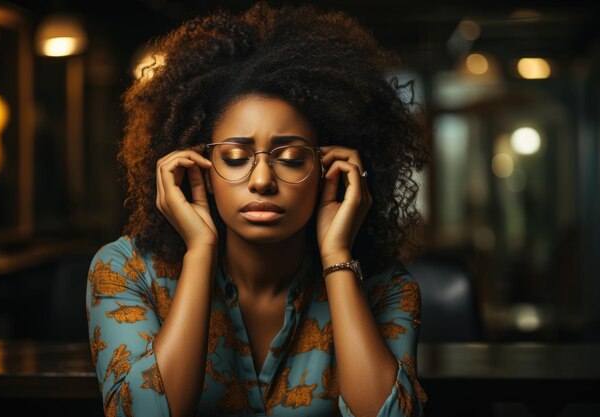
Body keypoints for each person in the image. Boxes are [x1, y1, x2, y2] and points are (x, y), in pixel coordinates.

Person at [86, 2, 429, 416]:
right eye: (234, 157)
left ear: (328, 171)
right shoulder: (125, 271)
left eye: (290, 157)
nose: (263, 180)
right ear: (200, 169)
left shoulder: (384, 286)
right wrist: (199, 252)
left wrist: (337, 257)